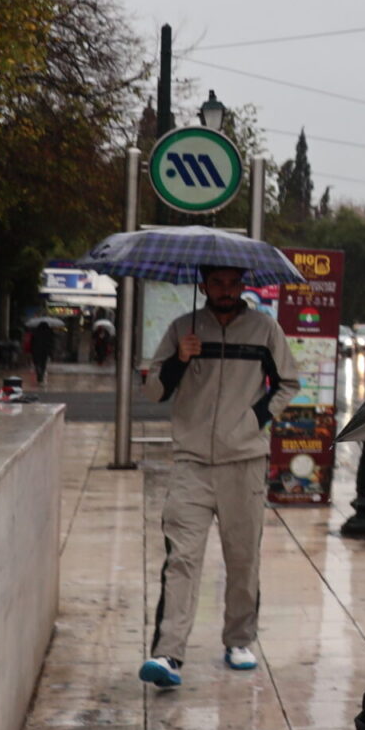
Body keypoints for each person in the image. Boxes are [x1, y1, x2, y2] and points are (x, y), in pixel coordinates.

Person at [138, 267, 300, 688]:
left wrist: (255, 419)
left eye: (233, 283)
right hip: (191, 463)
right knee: (182, 559)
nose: (225, 290)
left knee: (242, 558)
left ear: (242, 285)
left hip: (244, 462)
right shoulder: (181, 329)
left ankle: (239, 639)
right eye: (217, 283)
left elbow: (289, 382)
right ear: (203, 285)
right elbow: (154, 390)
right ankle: (168, 654)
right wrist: (180, 359)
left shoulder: (264, 329)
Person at [27, 319, 57, 386]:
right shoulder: (50, 332)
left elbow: (32, 342)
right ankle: (41, 375)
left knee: (37, 363)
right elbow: (51, 343)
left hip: (36, 350)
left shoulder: (35, 332)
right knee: (43, 364)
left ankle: (39, 373)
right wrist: (51, 352)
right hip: (45, 351)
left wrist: (31, 350)